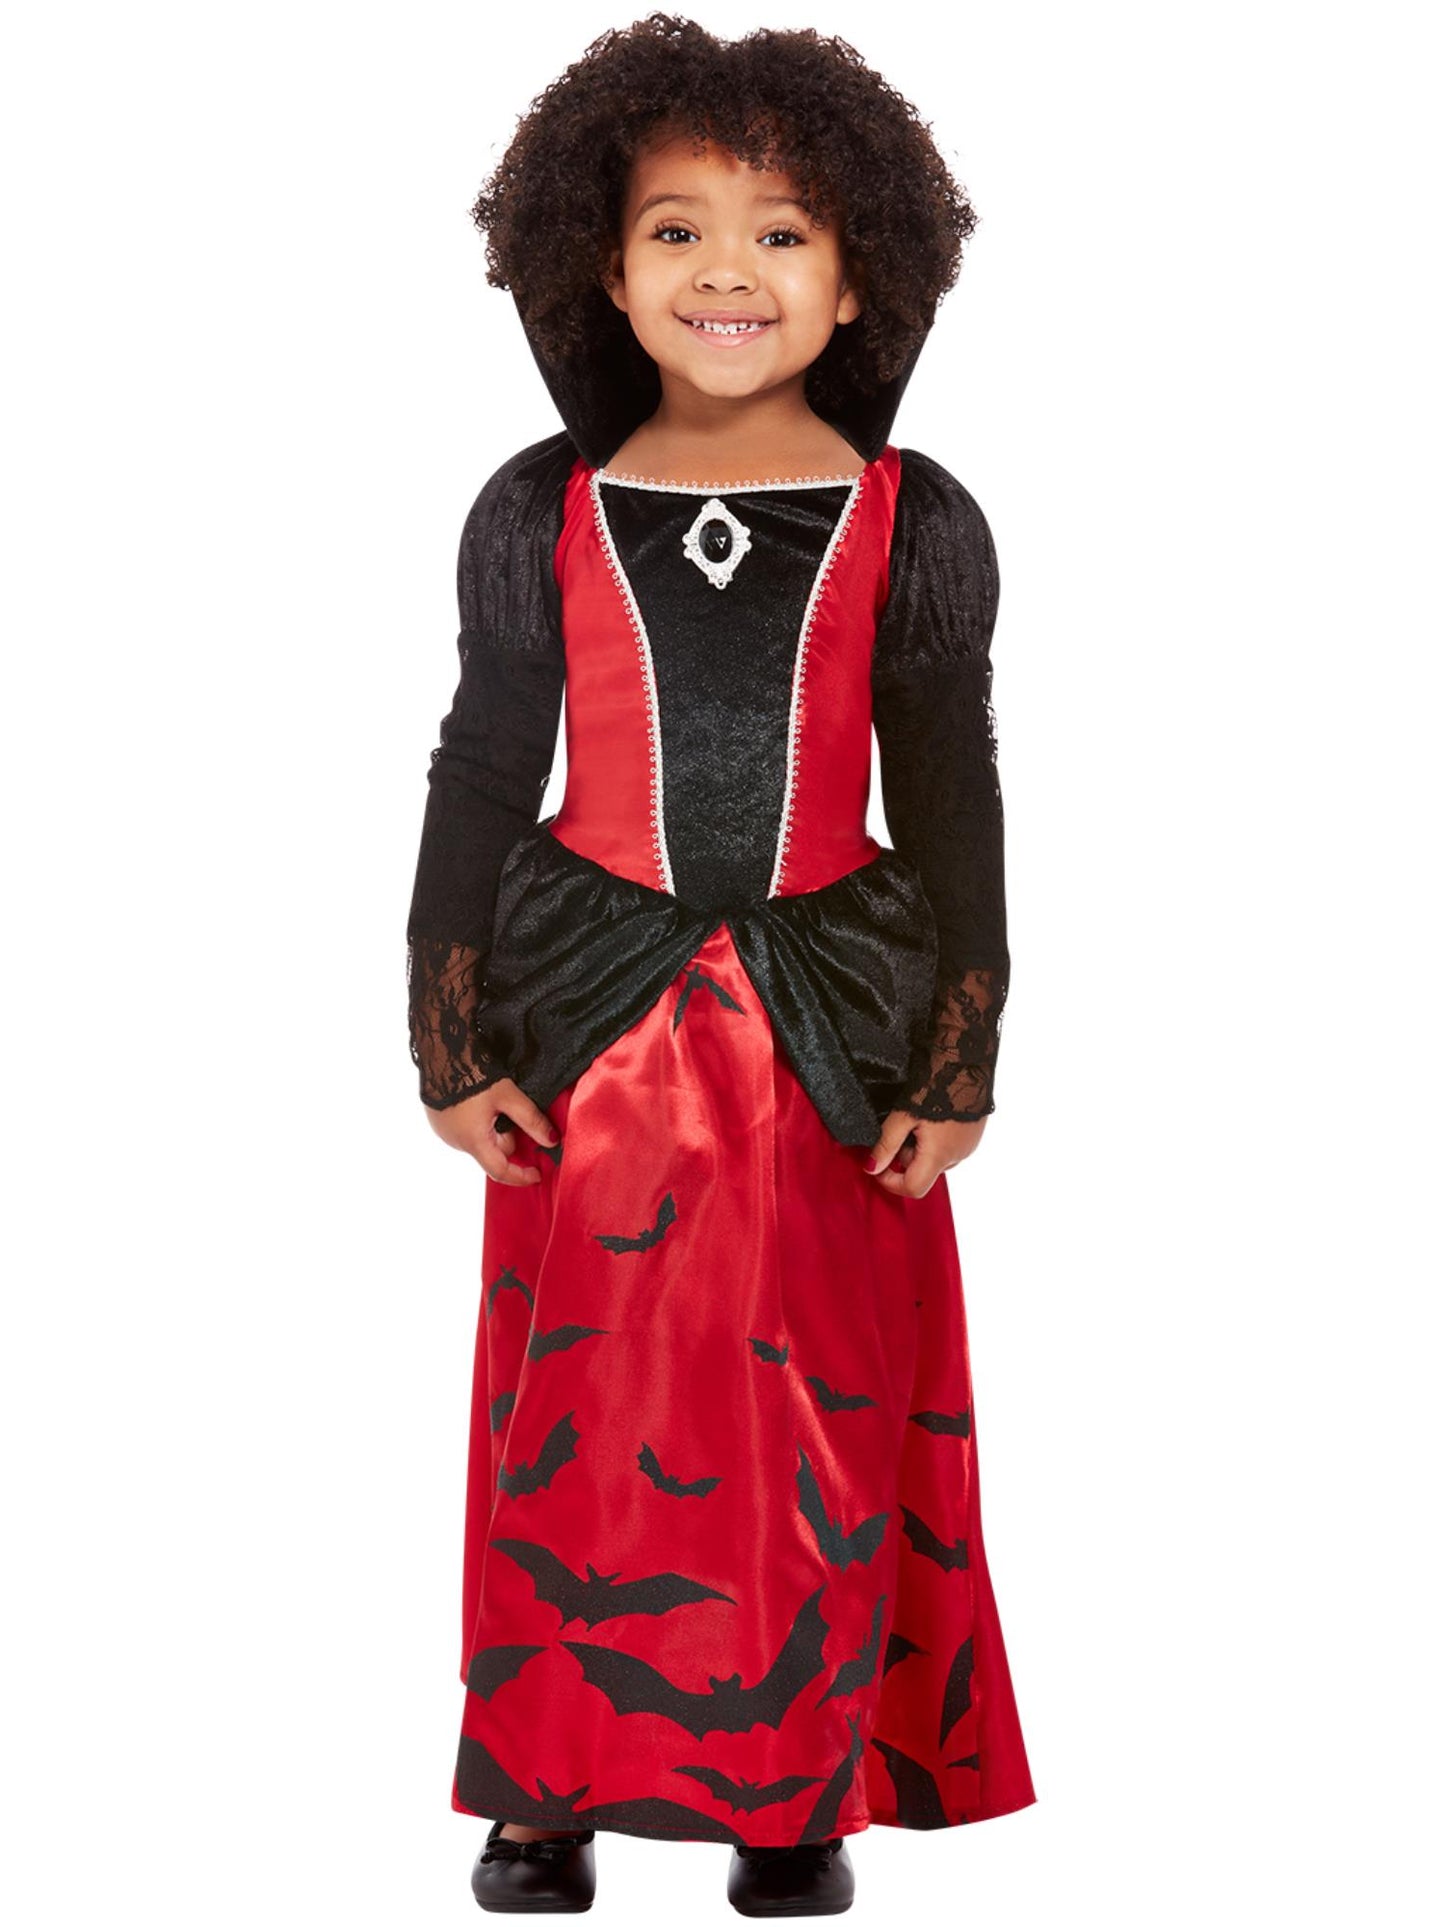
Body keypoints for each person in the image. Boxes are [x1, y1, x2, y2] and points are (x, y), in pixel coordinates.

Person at [405, 15, 1036, 1916]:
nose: (725, 273)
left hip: (823, 1032)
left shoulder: (911, 518)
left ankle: (791, 1779)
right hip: (589, 1025)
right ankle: (548, 1788)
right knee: (580, 1415)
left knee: (807, 1412)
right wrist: (446, 1038)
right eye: (674, 231)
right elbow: (479, 765)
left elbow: (949, 787)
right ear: (601, 270)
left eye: (779, 232)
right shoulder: (542, 507)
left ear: (856, 277)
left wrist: (959, 1055)